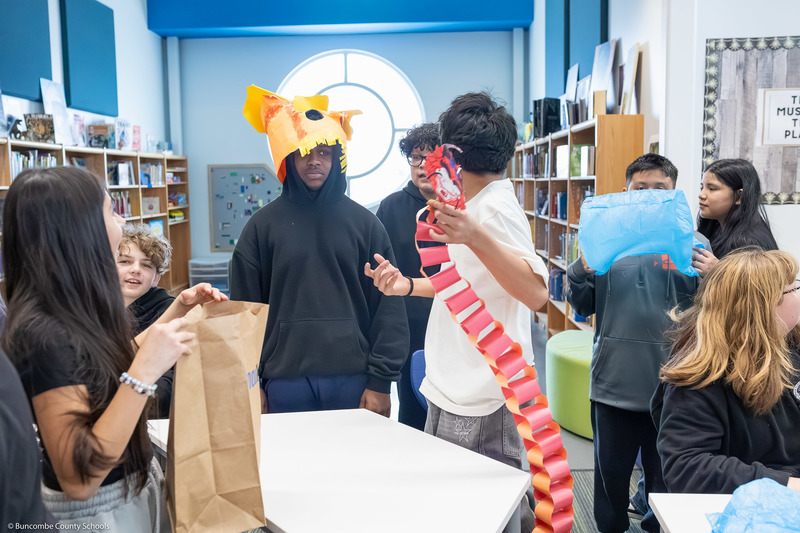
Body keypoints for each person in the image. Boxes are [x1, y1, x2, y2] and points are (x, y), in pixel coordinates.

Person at [2, 167, 226, 531]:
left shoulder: (71, 307)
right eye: (110, 211)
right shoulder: (42, 334)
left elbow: (100, 369)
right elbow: (79, 478)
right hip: (96, 514)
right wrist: (144, 374)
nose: (120, 220)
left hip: (129, 493)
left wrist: (179, 308)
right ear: (80, 229)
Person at [365, 92, 549, 532]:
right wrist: (406, 285)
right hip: (454, 385)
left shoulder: (496, 211)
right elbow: (466, 286)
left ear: (453, 155)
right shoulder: (475, 203)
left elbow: (537, 292)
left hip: (484, 393)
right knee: (455, 505)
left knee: (486, 510)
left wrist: (474, 236)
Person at [232, 87, 409, 416]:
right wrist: (250, 383)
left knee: (356, 467)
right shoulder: (260, 228)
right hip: (282, 382)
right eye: (304, 152)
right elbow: (243, 315)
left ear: (338, 158)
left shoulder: (366, 226)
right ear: (289, 156)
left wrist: (381, 382)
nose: (314, 161)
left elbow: (388, 309)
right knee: (289, 468)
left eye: (325, 152)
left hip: (355, 380)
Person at [565, 153, 707, 533]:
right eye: (639, 188)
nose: (647, 196)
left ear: (674, 191)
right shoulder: (605, 237)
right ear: (625, 191)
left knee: (666, 484)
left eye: (659, 188)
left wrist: (716, 275)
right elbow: (580, 306)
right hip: (614, 384)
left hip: (677, 388)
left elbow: (716, 314)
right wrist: (580, 269)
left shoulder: (695, 244)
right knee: (610, 483)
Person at [653, 248, 800, 494]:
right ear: (761, 309)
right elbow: (687, 468)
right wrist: (786, 485)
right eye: (792, 289)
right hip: (745, 508)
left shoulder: (790, 344)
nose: (797, 294)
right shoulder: (700, 378)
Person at [375, 122, 441, 430]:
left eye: (433, 157)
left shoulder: (461, 207)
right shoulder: (390, 207)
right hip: (407, 326)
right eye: (417, 157)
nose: (424, 166)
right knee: (412, 411)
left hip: (454, 325)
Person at [117, 223, 175, 418]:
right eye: (125, 261)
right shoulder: (92, 309)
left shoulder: (170, 310)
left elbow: (165, 388)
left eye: (146, 265)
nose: (135, 270)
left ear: (157, 278)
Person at [692, 158, 778, 276]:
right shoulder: (715, 229)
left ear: (739, 196)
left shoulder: (750, 242)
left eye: (712, 189)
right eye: (702, 187)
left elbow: (758, 291)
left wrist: (718, 272)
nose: (701, 195)